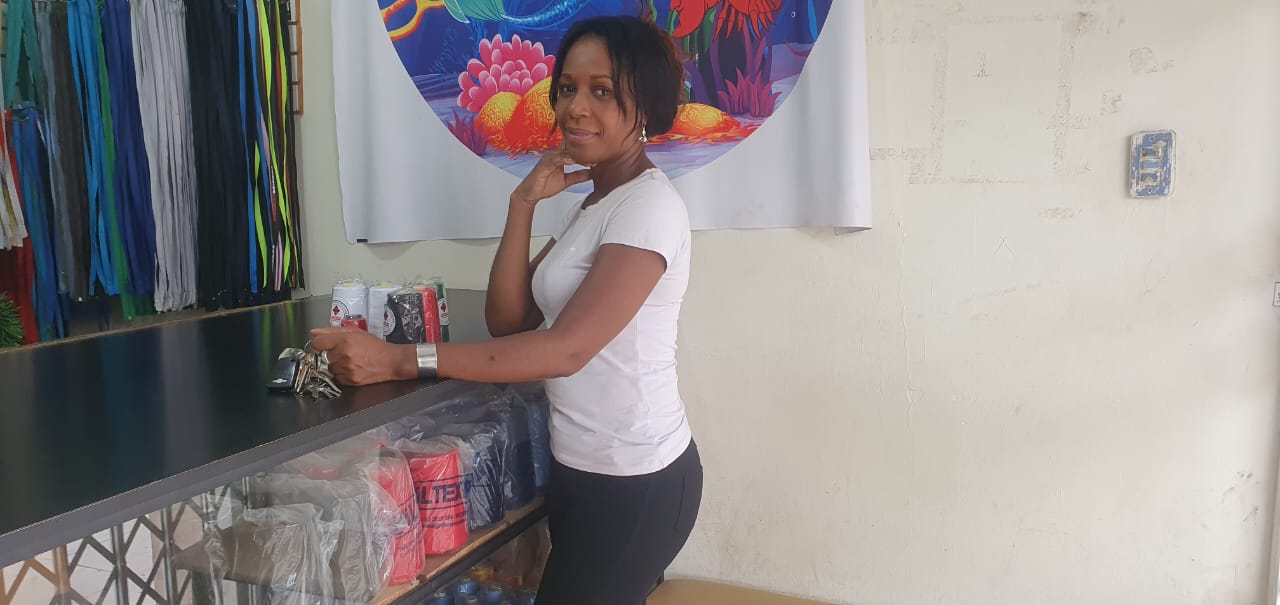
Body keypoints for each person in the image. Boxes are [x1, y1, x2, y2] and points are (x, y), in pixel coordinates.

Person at [311, 14, 702, 605]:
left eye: (602, 91)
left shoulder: (648, 209)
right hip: (583, 468)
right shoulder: (598, 204)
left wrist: (398, 360)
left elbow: (565, 350)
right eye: (567, 88)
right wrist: (522, 204)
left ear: (644, 106)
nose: (575, 108)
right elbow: (509, 321)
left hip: (633, 479)